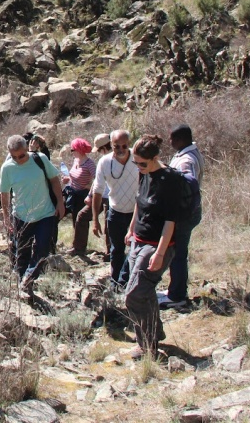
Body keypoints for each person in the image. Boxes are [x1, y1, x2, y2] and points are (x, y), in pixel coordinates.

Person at [124, 135, 188, 359]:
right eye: (135, 163)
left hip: (157, 246)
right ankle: (153, 334)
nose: (138, 167)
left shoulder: (170, 180)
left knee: (133, 295)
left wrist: (160, 253)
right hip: (138, 242)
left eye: (142, 163)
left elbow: (170, 221)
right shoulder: (145, 173)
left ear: (156, 158)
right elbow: (139, 203)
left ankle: (147, 345)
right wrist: (131, 229)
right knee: (145, 291)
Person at [0, 134, 64, 295]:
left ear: (27, 148)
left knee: (43, 250)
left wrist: (60, 202)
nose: (18, 159)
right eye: (14, 157)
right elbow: (5, 194)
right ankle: (23, 282)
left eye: (21, 155)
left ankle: (28, 278)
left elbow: (54, 180)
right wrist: (6, 217)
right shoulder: (7, 168)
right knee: (22, 252)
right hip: (21, 216)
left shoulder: (40, 159)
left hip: (45, 213)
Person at [159, 123, 205, 309]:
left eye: (171, 138)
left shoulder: (186, 160)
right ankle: (175, 290)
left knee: (178, 254)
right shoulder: (188, 154)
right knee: (178, 253)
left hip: (184, 214)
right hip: (188, 212)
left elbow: (187, 185)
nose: (169, 141)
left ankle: (177, 295)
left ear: (180, 139)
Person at [91, 130, 138, 287]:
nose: (121, 150)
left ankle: (129, 282)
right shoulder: (104, 162)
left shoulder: (138, 158)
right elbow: (97, 190)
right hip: (116, 212)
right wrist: (95, 220)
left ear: (129, 145)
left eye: (124, 146)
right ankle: (115, 282)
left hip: (135, 214)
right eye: (117, 146)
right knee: (116, 249)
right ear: (111, 145)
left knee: (134, 249)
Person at [63, 137, 97, 255]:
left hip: (82, 194)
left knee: (80, 221)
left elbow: (98, 179)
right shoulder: (76, 161)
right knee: (73, 219)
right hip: (72, 193)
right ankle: (76, 245)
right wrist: (68, 179)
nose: (72, 152)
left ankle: (79, 248)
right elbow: (74, 176)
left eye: (73, 150)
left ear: (79, 149)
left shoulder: (89, 164)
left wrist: (89, 186)